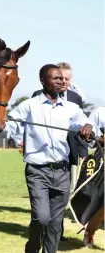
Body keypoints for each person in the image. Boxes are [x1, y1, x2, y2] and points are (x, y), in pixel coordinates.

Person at [5, 64, 94, 253]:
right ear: (43, 81)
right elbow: (8, 126)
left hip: (62, 171)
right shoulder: (29, 106)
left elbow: (85, 123)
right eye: (56, 78)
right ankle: (31, 252)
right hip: (38, 171)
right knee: (41, 218)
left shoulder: (70, 107)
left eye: (64, 79)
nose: (62, 82)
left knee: (55, 224)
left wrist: (88, 126)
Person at [32, 62, 88, 241]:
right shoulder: (37, 97)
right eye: (60, 78)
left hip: (68, 152)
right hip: (43, 156)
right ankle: (42, 227)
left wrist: (82, 150)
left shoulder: (75, 98)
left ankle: (57, 231)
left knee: (62, 197)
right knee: (44, 198)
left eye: (66, 79)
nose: (63, 81)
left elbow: (81, 125)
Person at [83, 106, 105, 248]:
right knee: (101, 201)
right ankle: (90, 231)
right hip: (102, 159)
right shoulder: (99, 112)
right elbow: (89, 137)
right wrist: (99, 139)